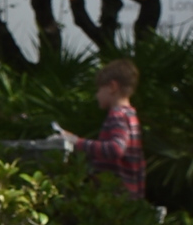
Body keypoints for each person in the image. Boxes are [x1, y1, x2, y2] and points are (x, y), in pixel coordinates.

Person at [58, 59, 145, 199]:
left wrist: (77, 142)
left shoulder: (117, 115)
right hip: (129, 195)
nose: (97, 95)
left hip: (114, 196)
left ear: (112, 87)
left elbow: (116, 148)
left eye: (99, 89)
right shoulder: (130, 115)